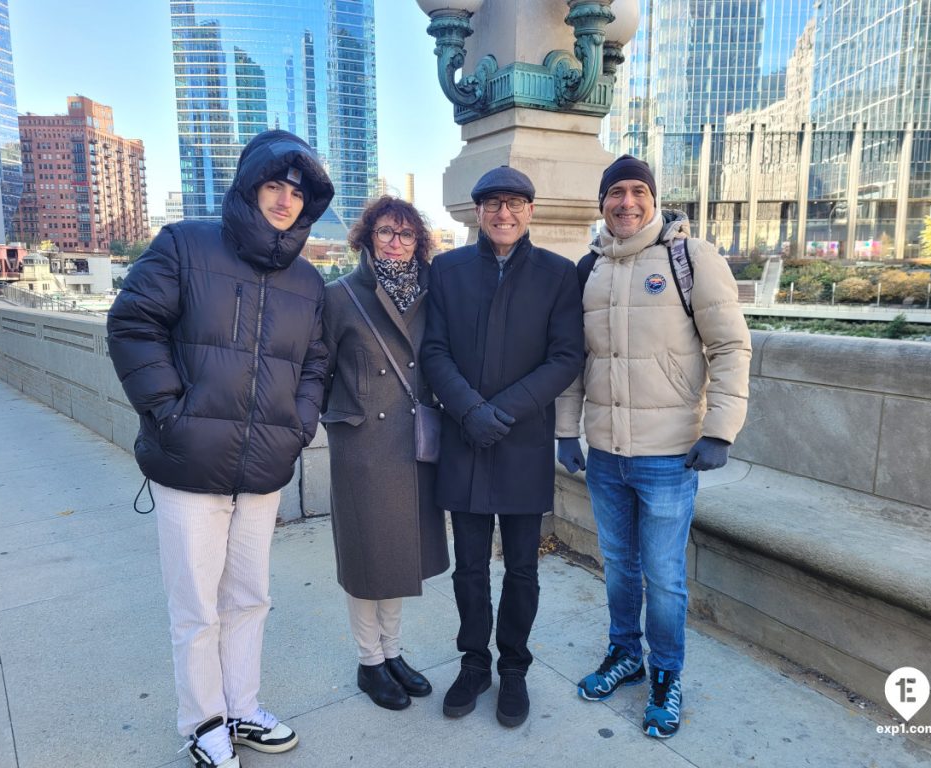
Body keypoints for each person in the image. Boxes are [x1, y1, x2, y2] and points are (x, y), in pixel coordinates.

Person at [107, 130, 334, 768]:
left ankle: (242, 706)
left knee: (249, 597)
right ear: (249, 187)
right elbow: (132, 324)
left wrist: (298, 424)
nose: (285, 201)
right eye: (274, 186)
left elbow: (317, 363)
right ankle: (203, 722)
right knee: (196, 606)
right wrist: (168, 413)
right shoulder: (185, 244)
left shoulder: (309, 281)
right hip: (188, 462)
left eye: (297, 192)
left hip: (263, 467)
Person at [555, 155, 751, 739]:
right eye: (615, 192)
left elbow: (731, 347)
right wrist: (567, 430)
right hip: (607, 454)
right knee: (618, 566)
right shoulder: (588, 269)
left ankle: (666, 674)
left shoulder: (693, 259)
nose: (627, 203)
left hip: (670, 455)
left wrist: (720, 428)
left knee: (664, 577)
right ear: (601, 203)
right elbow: (575, 363)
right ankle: (625, 654)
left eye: (638, 191)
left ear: (655, 198)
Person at [421, 166, 584, 729]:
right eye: (493, 204)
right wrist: (469, 409)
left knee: (521, 569)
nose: (504, 214)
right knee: (468, 568)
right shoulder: (446, 270)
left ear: (530, 211)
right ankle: (474, 663)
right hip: (464, 439)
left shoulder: (559, 275)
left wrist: (503, 410)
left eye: (515, 203)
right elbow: (434, 350)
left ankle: (513, 668)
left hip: (522, 441)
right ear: (477, 212)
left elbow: (566, 356)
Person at [321, 196, 450, 711]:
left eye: (406, 234)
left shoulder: (431, 294)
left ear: (419, 242)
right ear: (366, 238)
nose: (396, 242)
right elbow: (318, 370)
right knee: (365, 558)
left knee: (400, 556)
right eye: (385, 232)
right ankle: (368, 661)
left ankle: (392, 653)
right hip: (364, 447)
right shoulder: (340, 297)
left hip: (414, 443)